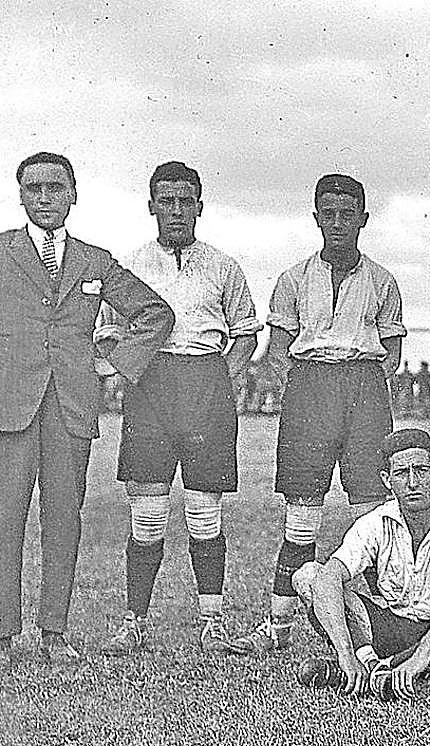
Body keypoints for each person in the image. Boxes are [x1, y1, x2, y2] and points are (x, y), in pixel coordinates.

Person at [0, 152, 173, 670]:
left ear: (74, 194)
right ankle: (4, 634)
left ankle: (54, 631)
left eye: (56, 187)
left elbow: (154, 314)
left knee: (63, 521)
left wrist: (113, 363)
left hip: (71, 407)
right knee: (5, 520)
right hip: (10, 407)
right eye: (34, 189)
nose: (46, 197)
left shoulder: (95, 261)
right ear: (22, 195)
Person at [94, 161, 261, 656]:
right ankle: (134, 621)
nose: (176, 211)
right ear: (151, 207)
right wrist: (130, 368)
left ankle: (211, 620)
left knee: (204, 512)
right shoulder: (131, 264)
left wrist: (218, 376)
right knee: (147, 512)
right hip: (151, 385)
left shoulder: (224, 266)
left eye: (185, 201)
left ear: (200, 207)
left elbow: (246, 332)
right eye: (166, 201)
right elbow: (108, 330)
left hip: (205, 381)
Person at [234, 174, 405, 653]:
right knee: (301, 515)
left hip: (364, 388)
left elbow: (391, 354)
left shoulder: (383, 281)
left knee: (372, 513)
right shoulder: (292, 279)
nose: (337, 224)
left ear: (363, 220)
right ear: (315, 218)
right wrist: (313, 388)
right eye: (327, 214)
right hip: (310, 389)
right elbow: (279, 352)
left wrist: (360, 384)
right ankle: (279, 627)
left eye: (347, 214)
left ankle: (381, 624)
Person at [293, 429, 430, 698]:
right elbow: (329, 577)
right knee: (309, 577)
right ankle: (369, 667)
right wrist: (346, 654)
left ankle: (387, 670)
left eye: (421, 470)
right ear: (387, 479)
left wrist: (421, 656)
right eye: (402, 473)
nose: (413, 481)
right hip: (396, 627)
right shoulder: (376, 521)